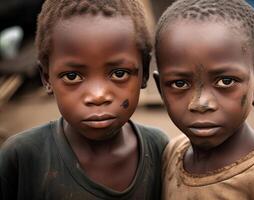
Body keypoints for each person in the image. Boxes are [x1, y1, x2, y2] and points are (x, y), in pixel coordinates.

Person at [0, 0, 169, 199]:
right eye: (72, 76)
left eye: (119, 73)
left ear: (144, 74)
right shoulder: (23, 156)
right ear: (46, 78)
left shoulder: (158, 148)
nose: (98, 96)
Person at [153, 0, 254, 199]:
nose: (200, 103)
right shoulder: (172, 154)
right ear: (160, 89)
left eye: (226, 81)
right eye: (180, 84)